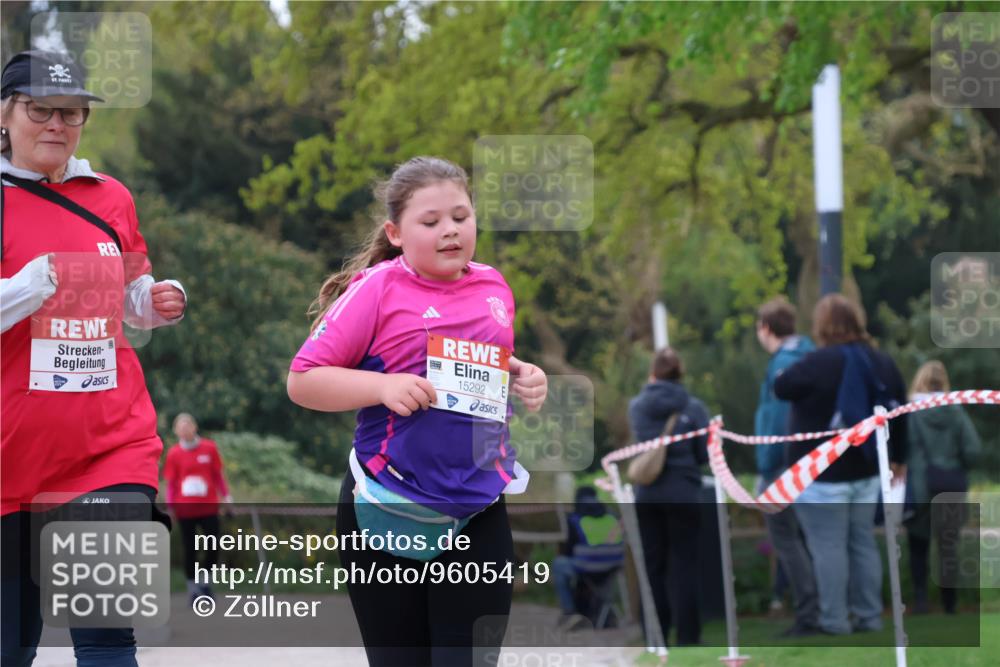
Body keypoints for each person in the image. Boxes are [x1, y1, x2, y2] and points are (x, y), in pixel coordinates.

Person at [286, 156, 548, 666]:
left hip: (477, 509)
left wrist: (523, 376)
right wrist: (383, 387)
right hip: (387, 506)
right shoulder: (378, 289)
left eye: (460, 216)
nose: (450, 231)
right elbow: (303, 379)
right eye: (430, 223)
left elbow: (484, 365)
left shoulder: (495, 287)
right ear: (396, 232)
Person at [1, 51, 186, 666]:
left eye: (72, 112)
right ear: (6, 114)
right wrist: (32, 283)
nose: (57, 123)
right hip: (10, 460)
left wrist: (153, 301)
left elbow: (130, 293)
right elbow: (36, 285)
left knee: (107, 632)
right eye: (41, 109)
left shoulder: (109, 197)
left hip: (109, 446)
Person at [774, 294, 907, 635]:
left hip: (822, 473)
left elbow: (782, 386)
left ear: (822, 325)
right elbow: (900, 411)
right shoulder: (880, 361)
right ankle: (870, 616)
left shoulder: (819, 362)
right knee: (862, 541)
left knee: (828, 545)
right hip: (866, 470)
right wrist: (900, 458)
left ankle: (834, 620)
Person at [628, 347, 709, 647]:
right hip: (684, 492)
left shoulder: (637, 406)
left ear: (653, 372)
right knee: (685, 565)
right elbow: (704, 453)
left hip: (647, 494)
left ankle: (656, 635)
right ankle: (689, 637)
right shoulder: (694, 407)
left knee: (653, 567)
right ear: (680, 374)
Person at [753, 297, 820, 637]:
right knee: (814, 540)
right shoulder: (810, 355)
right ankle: (826, 609)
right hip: (812, 463)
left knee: (786, 540)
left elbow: (776, 421)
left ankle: (808, 612)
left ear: (766, 328)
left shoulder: (783, 365)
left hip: (782, 464)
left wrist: (765, 466)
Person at [904, 361, 980, 614]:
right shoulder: (956, 411)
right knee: (948, 546)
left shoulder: (911, 411)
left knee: (918, 545)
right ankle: (950, 604)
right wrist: (956, 464)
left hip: (920, 484)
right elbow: (973, 450)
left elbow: (903, 448)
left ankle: (921, 601)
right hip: (951, 484)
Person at [162, 413, 233, 605]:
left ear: (195, 427)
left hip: (209, 507)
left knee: (212, 546)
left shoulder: (209, 448)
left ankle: (205, 583)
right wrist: (170, 508)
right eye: (181, 427)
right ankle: (193, 589)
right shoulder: (174, 453)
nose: (185, 430)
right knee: (190, 550)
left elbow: (218, 476)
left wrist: (227, 498)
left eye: (188, 425)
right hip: (185, 510)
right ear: (176, 431)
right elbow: (172, 484)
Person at [552, 486, 625, 630]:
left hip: (585, 566)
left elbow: (569, 549)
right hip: (614, 565)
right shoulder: (611, 515)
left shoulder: (575, 517)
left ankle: (569, 612)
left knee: (558, 564)